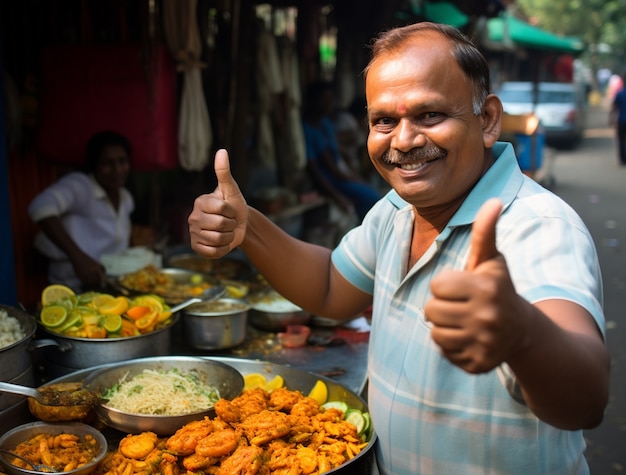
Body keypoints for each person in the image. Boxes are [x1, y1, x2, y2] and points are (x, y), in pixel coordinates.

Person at [188, 22, 609, 474]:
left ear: (486, 120)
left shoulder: (538, 228)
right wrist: (247, 226)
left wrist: (522, 333)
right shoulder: (396, 210)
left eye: (430, 115)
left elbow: (586, 401)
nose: (403, 141)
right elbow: (331, 286)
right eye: (384, 121)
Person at [28, 130, 134, 292]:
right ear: (94, 165)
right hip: (69, 287)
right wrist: (77, 257)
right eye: (107, 163)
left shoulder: (126, 198)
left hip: (107, 286)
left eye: (122, 161)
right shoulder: (80, 186)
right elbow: (40, 207)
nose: (117, 169)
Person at [302, 80, 381, 221]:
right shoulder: (307, 129)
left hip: (341, 175)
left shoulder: (325, 123)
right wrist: (339, 195)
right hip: (331, 180)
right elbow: (319, 168)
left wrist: (353, 175)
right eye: (324, 99)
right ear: (313, 101)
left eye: (331, 99)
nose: (329, 103)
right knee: (372, 199)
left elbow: (337, 155)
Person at [609, 72, 626, 166]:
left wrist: (611, 119)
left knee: (621, 141)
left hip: (622, 121)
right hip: (621, 120)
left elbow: (614, 107)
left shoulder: (619, 94)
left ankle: (623, 159)